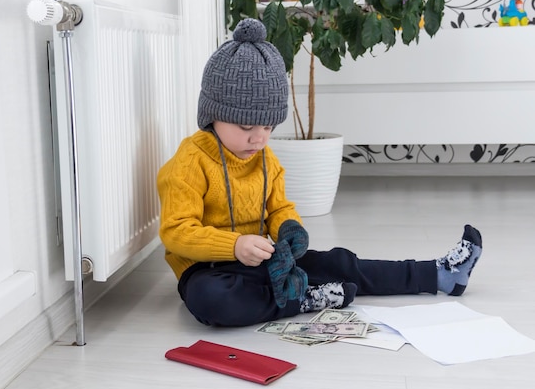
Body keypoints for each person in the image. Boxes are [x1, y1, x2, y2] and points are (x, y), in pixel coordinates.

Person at [156, 18, 483, 327]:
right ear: (214, 114)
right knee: (211, 300)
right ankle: (302, 300)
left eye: (268, 126)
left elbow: (279, 207)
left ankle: (438, 274)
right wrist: (235, 245)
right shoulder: (190, 160)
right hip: (208, 271)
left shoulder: (265, 158)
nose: (259, 137)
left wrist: (288, 228)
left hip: (263, 264)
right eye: (246, 126)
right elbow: (176, 232)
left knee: (338, 264)